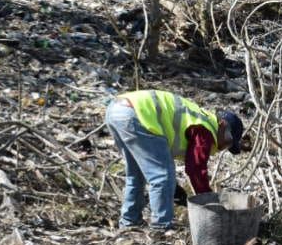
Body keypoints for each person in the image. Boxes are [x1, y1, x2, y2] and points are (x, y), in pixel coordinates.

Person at [104, 89, 244, 232]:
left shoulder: (198, 119)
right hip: (138, 115)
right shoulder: (205, 129)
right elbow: (195, 168)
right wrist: (208, 201)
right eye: (228, 141)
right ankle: (161, 226)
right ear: (222, 124)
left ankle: (130, 222)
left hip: (116, 110)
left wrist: (176, 190)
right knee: (162, 176)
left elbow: (162, 158)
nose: (223, 147)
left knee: (136, 173)